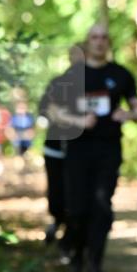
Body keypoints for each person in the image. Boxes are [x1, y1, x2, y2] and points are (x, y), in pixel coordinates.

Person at [47, 26, 137, 272]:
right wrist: (76, 120)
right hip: (77, 150)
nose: (99, 42)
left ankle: (95, 262)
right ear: (87, 42)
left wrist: (129, 114)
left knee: (101, 206)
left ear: (109, 43)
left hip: (108, 150)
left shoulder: (120, 74)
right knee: (77, 208)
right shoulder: (72, 75)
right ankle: (76, 251)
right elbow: (54, 111)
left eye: (104, 38)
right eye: (94, 38)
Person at [38, 44, 85, 250]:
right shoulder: (57, 84)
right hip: (56, 150)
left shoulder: (92, 84)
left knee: (77, 196)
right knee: (57, 194)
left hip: (82, 153)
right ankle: (58, 222)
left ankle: (73, 239)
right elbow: (45, 110)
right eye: (75, 55)